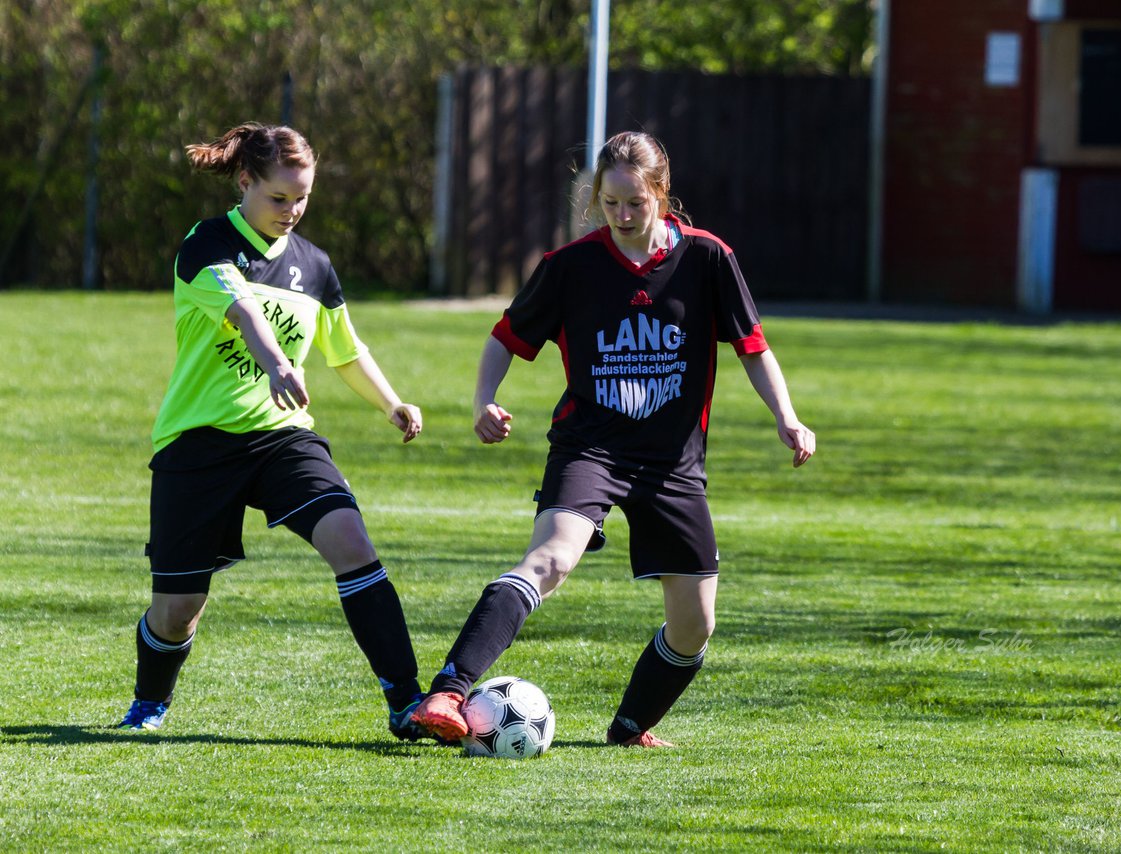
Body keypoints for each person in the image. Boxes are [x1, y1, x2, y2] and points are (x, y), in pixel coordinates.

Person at [409, 131, 816, 747]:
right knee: (550, 560)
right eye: (610, 203)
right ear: (595, 198)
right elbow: (505, 338)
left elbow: (753, 349)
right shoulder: (570, 267)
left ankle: (630, 727)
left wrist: (786, 415)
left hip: (673, 462)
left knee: (695, 623)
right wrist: (483, 399)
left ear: (662, 195)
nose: (623, 217)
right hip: (589, 448)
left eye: (636, 203)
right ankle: (448, 689)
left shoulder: (707, 259)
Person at [117, 122, 432, 741]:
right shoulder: (206, 243)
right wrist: (279, 363)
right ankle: (149, 700)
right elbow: (242, 310)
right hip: (198, 443)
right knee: (178, 610)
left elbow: (345, 350)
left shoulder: (315, 266)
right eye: (278, 198)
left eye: (303, 198)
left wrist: (391, 402)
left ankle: (407, 700)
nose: (292, 211)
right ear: (245, 182)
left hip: (281, 437)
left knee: (350, 538)